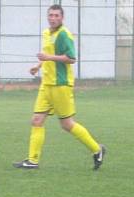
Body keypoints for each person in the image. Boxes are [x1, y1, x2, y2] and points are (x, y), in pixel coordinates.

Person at [13, 4, 105, 170]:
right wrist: (38, 65)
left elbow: (71, 58)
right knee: (36, 120)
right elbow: (48, 54)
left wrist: (48, 57)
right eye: (51, 15)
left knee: (67, 124)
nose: (53, 18)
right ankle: (32, 161)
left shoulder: (64, 34)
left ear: (62, 18)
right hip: (46, 84)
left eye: (56, 15)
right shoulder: (47, 33)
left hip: (60, 85)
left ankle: (97, 149)